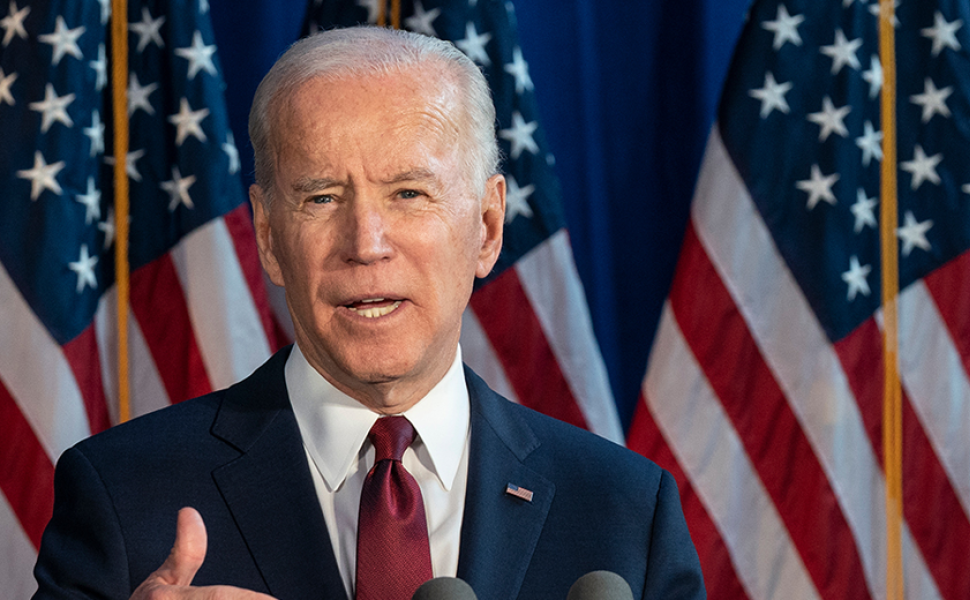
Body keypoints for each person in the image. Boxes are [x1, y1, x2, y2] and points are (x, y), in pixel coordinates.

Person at [32, 26, 705, 600]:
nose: (366, 245)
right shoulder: (122, 497)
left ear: (489, 227)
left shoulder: (623, 512)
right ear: (267, 236)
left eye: (409, 193)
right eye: (321, 198)